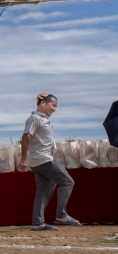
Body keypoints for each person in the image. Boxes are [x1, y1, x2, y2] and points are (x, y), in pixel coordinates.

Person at [19, 93, 79, 230]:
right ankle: (61, 215)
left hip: (40, 159)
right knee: (67, 182)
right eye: (53, 105)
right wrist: (23, 158)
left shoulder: (42, 119)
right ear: (43, 104)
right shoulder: (35, 118)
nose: (55, 109)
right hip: (42, 159)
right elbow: (26, 137)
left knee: (44, 190)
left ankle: (37, 222)